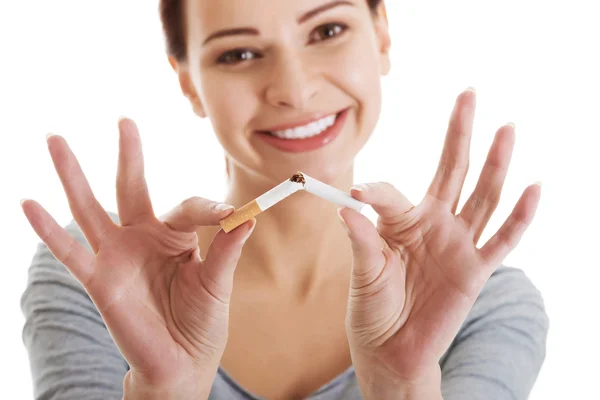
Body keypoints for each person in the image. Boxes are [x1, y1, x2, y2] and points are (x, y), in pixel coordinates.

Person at [19, 0, 549, 399]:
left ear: (382, 35)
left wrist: (402, 384)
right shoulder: (99, 274)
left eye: (328, 30)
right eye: (239, 53)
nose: (293, 90)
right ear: (189, 84)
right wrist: (165, 390)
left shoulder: (483, 305)